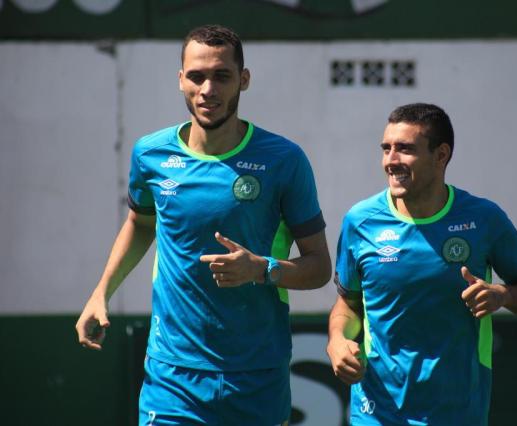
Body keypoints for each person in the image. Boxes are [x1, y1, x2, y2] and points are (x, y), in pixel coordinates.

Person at [75, 24, 331, 426]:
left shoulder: (284, 160)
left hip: (257, 375)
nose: (207, 89)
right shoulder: (150, 154)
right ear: (181, 80)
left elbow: (319, 266)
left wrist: (261, 269)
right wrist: (100, 293)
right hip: (172, 376)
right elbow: (140, 224)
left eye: (221, 76)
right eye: (196, 76)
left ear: (244, 80)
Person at [326, 103, 517, 425]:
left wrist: (504, 295)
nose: (391, 161)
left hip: (457, 413)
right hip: (377, 412)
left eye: (405, 149)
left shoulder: (483, 219)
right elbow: (348, 304)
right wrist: (337, 340)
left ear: (441, 155)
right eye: (386, 149)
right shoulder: (360, 221)